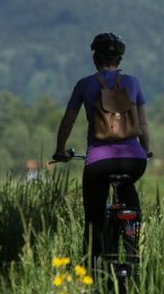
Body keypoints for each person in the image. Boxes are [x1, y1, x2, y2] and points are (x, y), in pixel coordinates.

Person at [53, 32, 151, 268]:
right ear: (119, 59)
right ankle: (133, 239)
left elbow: (67, 122)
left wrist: (60, 150)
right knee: (129, 195)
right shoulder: (132, 83)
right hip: (134, 161)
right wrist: (145, 151)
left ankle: (93, 269)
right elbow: (143, 125)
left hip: (99, 161)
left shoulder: (85, 85)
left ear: (95, 59)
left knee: (94, 219)